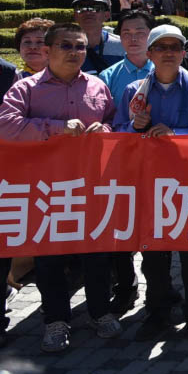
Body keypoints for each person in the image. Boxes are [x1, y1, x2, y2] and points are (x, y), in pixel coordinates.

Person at [0, 22, 116, 352]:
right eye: (66, 46)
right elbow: (5, 126)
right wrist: (54, 128)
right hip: (44, 188)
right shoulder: (27, 89)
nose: (75, 52)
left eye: (80, 46)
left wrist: (104, 130)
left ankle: (100, 312)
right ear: (48, 51)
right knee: (49, 258)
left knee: (96, 253)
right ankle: (55, 321)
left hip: (90, 185)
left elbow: (112, 122)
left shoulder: (97, 85)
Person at [114, 25, 188, 341]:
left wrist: (177, 136)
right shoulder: (134, 92)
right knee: (153, 253)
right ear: (150, 54)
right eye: (161, 47)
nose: (169, 53)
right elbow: (118, 134)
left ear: (183, 52)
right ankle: (157, 312)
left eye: (174, 47)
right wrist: (135, 127)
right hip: (150, 183)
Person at [98, 8, 155, 314]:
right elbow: (107, 122)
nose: (133, 39)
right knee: (120, 224)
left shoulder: (165, 68)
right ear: (118, 38)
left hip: (159, 167)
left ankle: (160, 286)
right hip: (121, 164)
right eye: (126, 34)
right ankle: (125, 284)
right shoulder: (107, 78)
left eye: (140, 33)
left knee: (156, 224)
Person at [73, 0, 124, 75]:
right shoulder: (65, 46)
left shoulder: (121, 45)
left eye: (95, 8)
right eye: (81, 8)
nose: (88, 12)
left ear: (107, 15)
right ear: (75, 15)